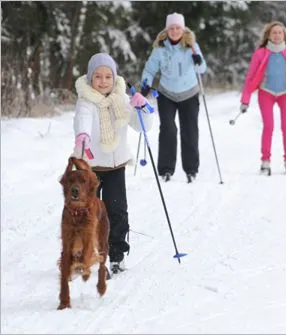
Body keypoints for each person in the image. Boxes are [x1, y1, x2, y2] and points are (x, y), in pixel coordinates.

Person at [72, 53, 153, 276]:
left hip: (116, 166)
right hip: (89, 167)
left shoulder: (122, 100)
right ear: (90, 78)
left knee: (116, 211)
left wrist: (142, 107)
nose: (103, 81)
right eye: (98, 76)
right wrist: (82, 136)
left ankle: (117, 255)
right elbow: (83, 120)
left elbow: (142, 126)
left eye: (108, 76)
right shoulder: (86, 101)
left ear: (114, 77)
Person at [141, 12, 207, 183]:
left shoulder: (191, 46)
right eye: (172, 28)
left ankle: (191, 169)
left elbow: (201, 69)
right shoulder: (160, 49)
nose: (175, 31)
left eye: (178, 28)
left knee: (190, 131)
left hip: (189, 93)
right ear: (167, 30)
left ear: (183, 29)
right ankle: (166, 169)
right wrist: (146, 84)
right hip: (167, 94)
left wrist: (198, 60)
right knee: (168, 130)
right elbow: (149, 69)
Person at [240, 21, 286, 177]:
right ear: (268, 35)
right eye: (274, 32)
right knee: (268, 126)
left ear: (284, 35)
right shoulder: (260, 53)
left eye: (280, 32)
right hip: (266, 92)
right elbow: (250, 77)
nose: (277, 35)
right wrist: (245, 100)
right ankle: (265, 162)